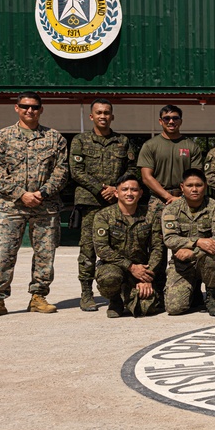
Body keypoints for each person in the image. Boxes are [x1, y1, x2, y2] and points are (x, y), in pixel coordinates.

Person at [0, 92, 69, 319]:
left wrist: (42, 192)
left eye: (34, 107)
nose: (30, 111)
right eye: (25, 106)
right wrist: (21, 195)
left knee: (45, 255)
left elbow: (61, 171)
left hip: (45, 205)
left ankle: (38, 297)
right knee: (1, 254)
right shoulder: (2, 137)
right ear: (16, 108)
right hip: (11, 206)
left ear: (41, 109)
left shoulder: (54, 138)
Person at [69, 98, 136, 311]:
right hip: (90, 203)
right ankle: (86, 293)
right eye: (98, 112)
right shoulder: (80, 141)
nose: (103, 116)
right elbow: (76, 171)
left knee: (119, 247)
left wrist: (117, 189)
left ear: (112, 116)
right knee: (88, 249)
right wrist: (101, 188)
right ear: (91, 116)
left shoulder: (123, 141)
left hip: (117, 203)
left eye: (107, 112)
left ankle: (119, 290)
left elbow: (132, 168)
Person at [92, 173, 163, 318]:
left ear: (141, 193)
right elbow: (102, 249)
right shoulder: (103, 216)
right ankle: (115, 300)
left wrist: (146, 277)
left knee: (147, 309)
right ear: (116, 193)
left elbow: (157, 248)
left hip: (143, 270)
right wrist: (131, 267)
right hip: (115, 267)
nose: (129, 193)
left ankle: (130, 294)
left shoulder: (150, 215)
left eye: (134, 190)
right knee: (109, 278)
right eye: (124, 190)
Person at [161, 168, 215, 317]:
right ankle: (194, 291)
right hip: (182, 262)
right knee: (175, 308)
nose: (194, 189)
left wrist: (195, 252)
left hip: (205, 259)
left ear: (205, 186)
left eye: (198, 185)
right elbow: (169, 238)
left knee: (213, 255)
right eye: (190, 185)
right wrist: (197, 242)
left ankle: (211, 297)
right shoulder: (172, 209)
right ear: (182, 187)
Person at [138, 105, 203, 206]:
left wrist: (181, 197)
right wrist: (168, 197)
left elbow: (196, 176)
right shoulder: (149, 146)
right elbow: (146, 177)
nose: (171, 121)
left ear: (180, 121)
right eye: (167, 118)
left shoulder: (192, 146)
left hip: (185, 198)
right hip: (158, 199)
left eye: (175, 118)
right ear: (160, 121)